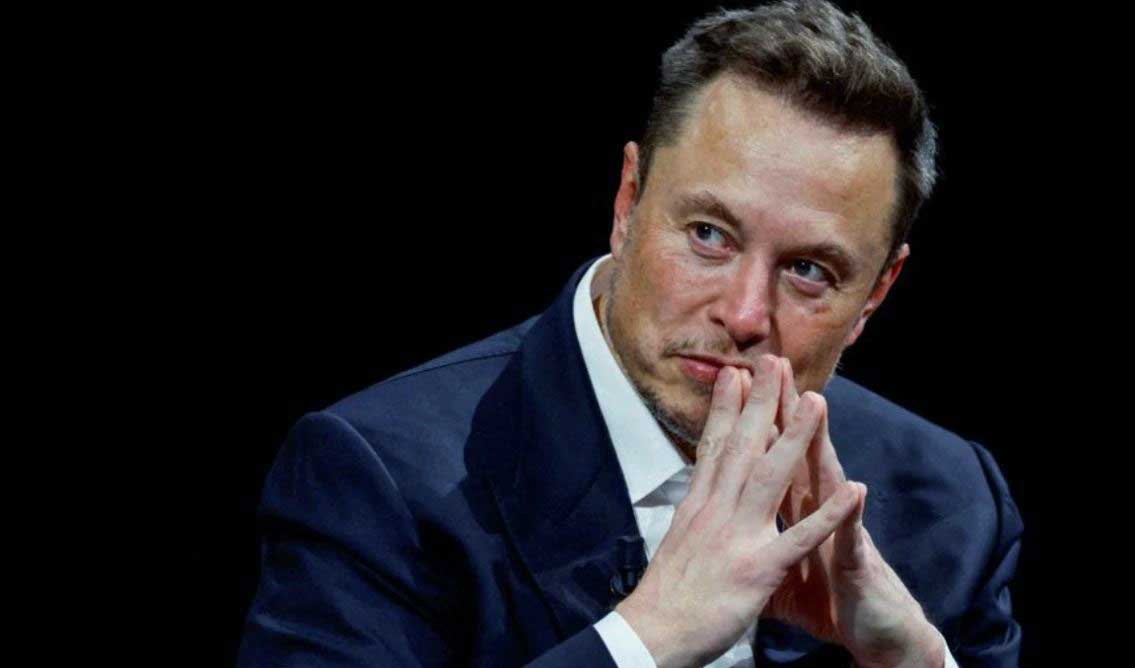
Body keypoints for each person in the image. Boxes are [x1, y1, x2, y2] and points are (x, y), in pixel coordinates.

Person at [238, 2, 1022, 666]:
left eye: (808, 271)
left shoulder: (948, 502)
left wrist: (915, 660)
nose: (745, 315)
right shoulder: (378, 479)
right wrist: (645, 640)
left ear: (876, 292)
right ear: (628, 199)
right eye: (709, 235)